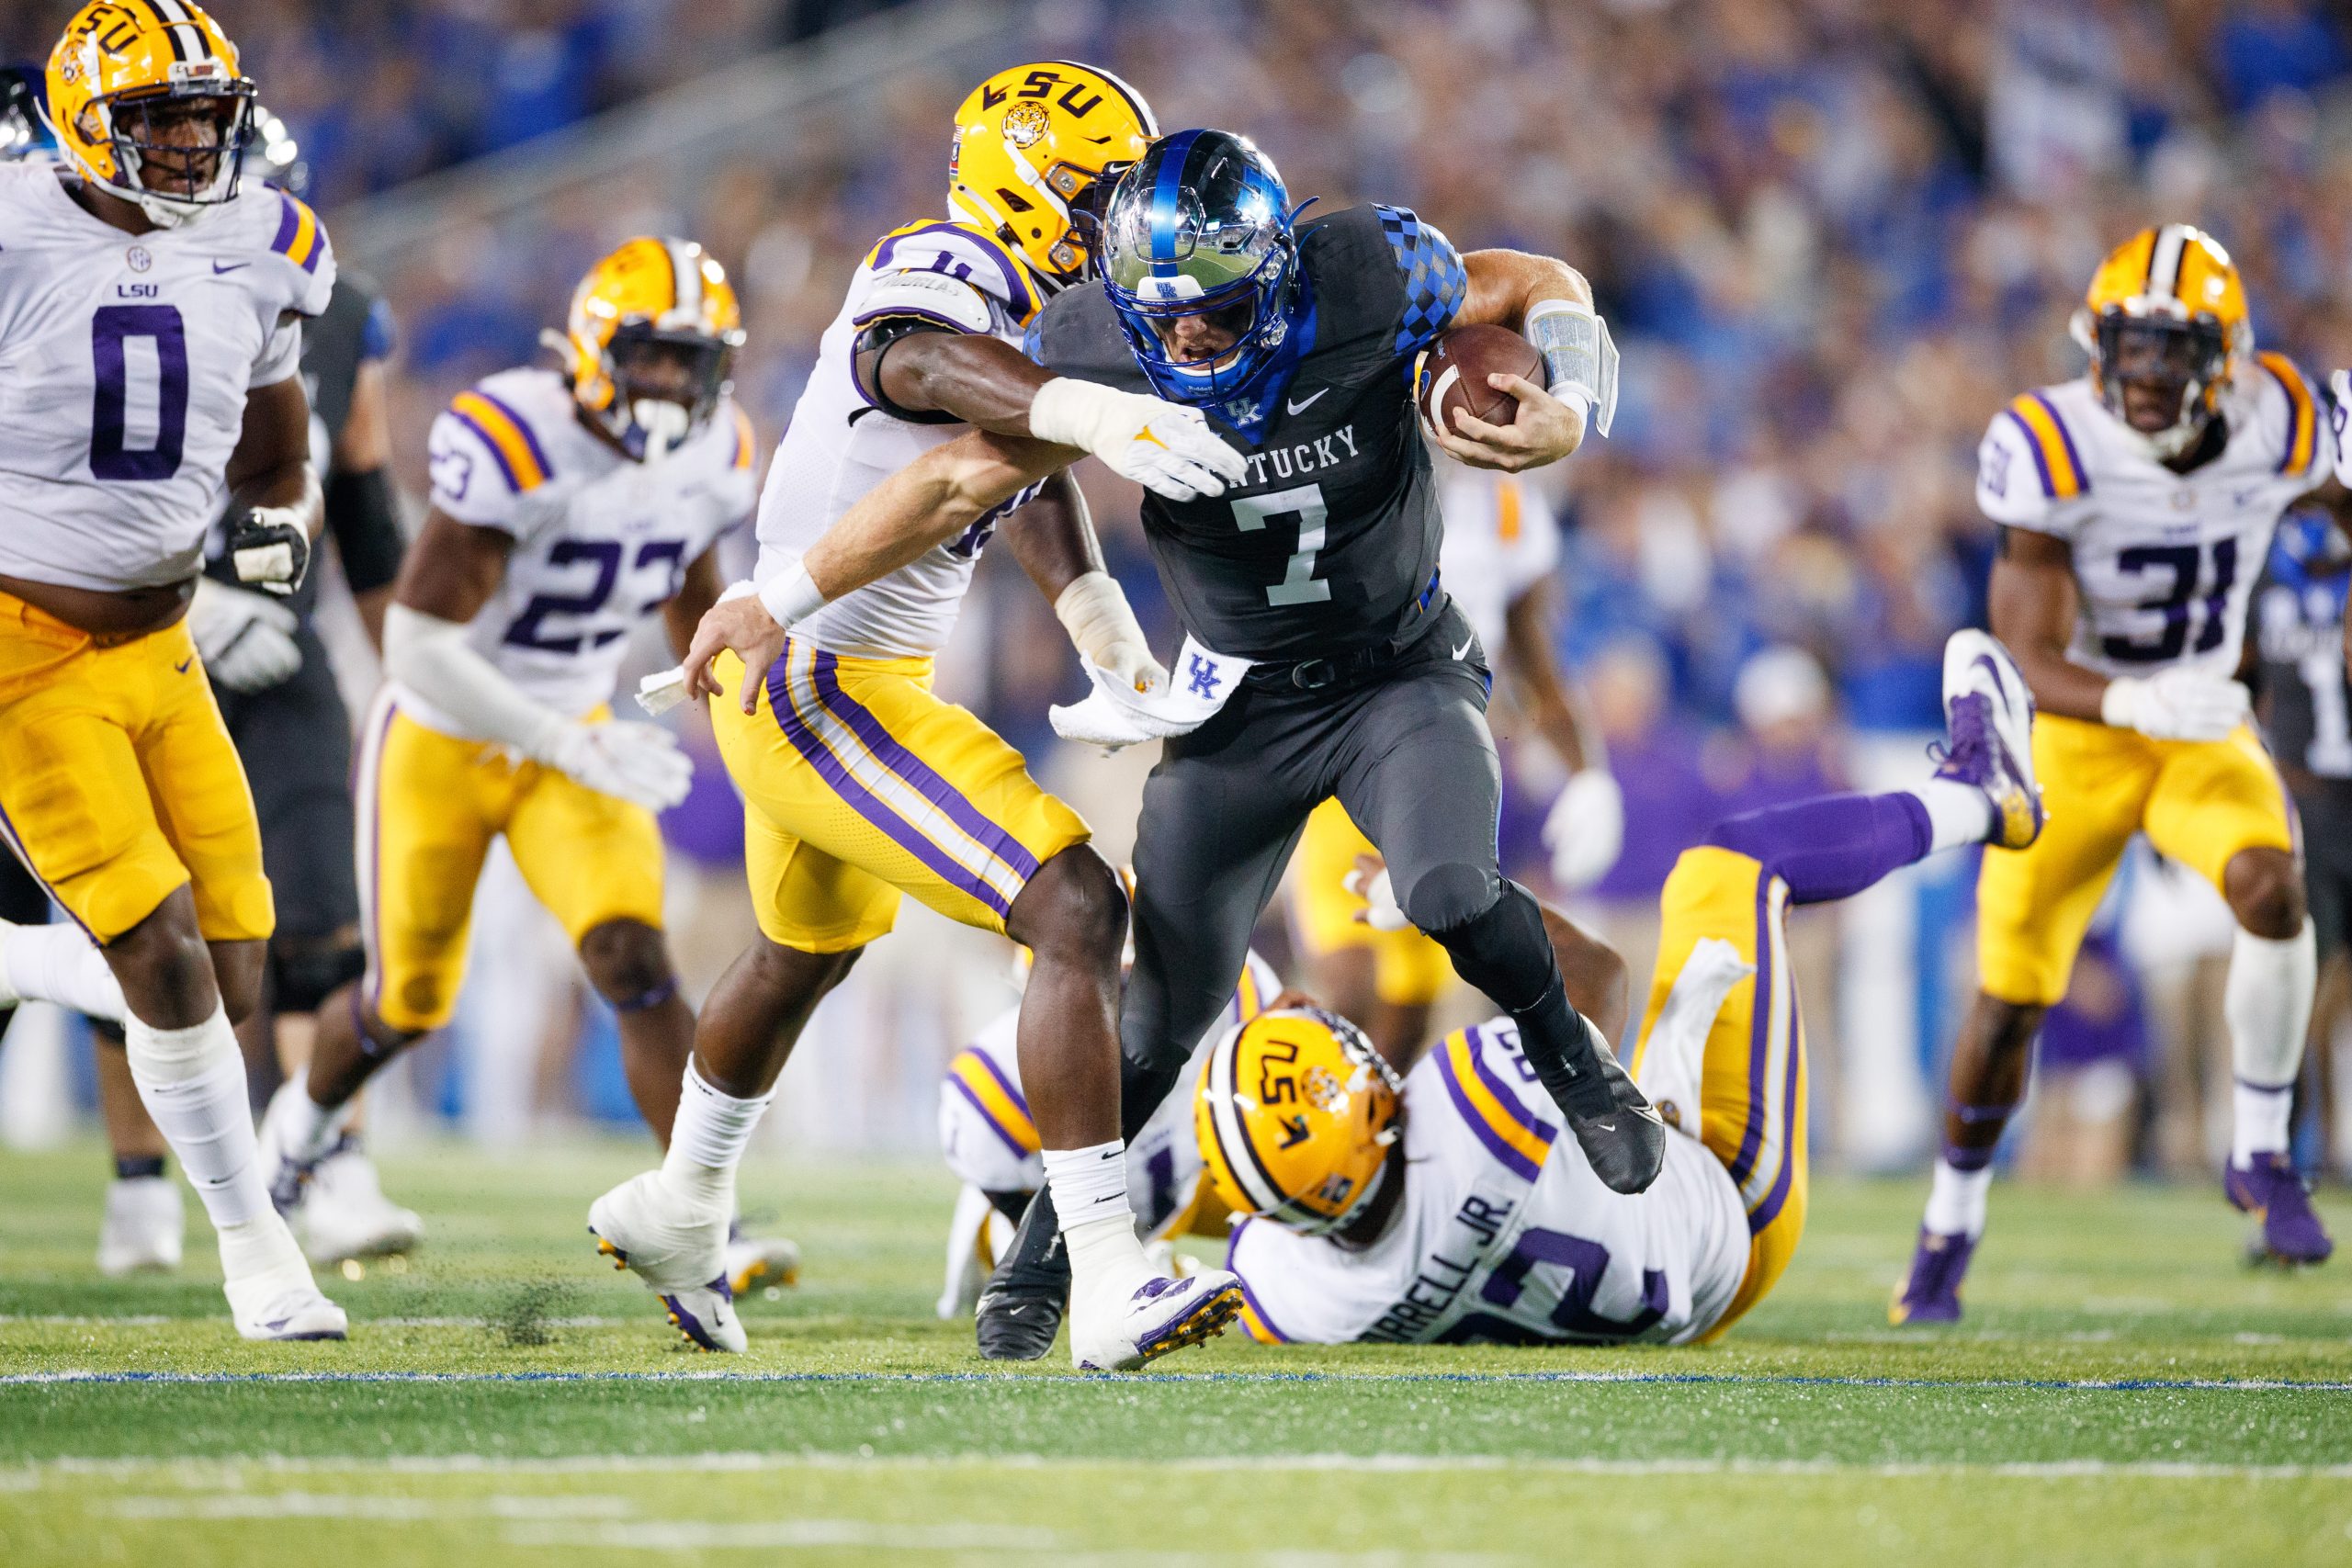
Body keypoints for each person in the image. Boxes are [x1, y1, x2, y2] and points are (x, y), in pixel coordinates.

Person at [687, 127, 1664, 1361]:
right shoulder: (1094, 344)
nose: (1191, 337)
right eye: (1166, 314)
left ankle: (1576, 1059)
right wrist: (777, 598)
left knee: (1449, 891)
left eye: (1218, 306)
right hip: (1238, 704)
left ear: (1277, 269)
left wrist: (1569, 402)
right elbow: (960, 482)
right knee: (1157, 1013)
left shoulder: (1368, 272)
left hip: (1396, 671)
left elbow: (1536, 282)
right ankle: (1047, 1255)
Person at [592, 63, 1258, 1369]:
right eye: (1098, 196)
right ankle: (1105, 1276)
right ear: (1023, 183)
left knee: (802, 954)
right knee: (1075, 906)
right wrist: (1087, 407)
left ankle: (679, 1202)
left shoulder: (1029, 317)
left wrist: (1102, 629)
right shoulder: (943, 263)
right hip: (818, 680)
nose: (1115, 226)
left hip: (842, 676)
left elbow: (1016, 474)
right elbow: (925, 363)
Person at [1207, 632, 2041, 1346]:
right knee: (1731, 868)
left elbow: (1263, 1197)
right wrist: (1455, 904)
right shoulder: (1469, 1105)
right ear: (1370, 1116)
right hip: (1729, 1211)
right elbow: (1597, 976)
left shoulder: (1293, 1297)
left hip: (1641, 1294)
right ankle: (1977, 795)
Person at [254, 237, 793, 1296]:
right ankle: (300, 1129)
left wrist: (736, 704)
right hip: (445, 736)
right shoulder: (520, 436)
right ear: (593, 349)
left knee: (634, 958)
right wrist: (560, 737)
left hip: (574, 737)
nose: (669, 383)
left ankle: (700, 1214)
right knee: (405, 1002)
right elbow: (416, 647)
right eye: (649, 355)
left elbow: (691, 588)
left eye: (691, 361)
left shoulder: (713, 453)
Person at [1895, 226, 2344, 1324]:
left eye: (2171, 349)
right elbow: (2024, 648)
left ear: (2225, 358)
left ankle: (2260, 1152)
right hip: (2079, 738)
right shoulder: (2051, 443)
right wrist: (2136, 700)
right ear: (2095, 344)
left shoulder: (2285, 420)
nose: (2145, 374)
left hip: (2202, 728)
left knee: (2271, 890)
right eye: (2129, 346)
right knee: (2009, 1003)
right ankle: (1949, 1222)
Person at [0, 1, 344, 1339]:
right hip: (23, 647)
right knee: (160, 948)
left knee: (235, 972)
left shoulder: (266, 243)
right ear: (84, 123)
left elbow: (279, 456)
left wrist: (278, 531)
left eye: (207, 114)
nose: (193, 141)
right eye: (159, 117)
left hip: (164, 644)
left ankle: (22, 959)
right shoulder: (13, 230)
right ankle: (259, 1254)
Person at [1289, 462, 1618, 1063]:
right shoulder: (1350, 459)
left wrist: (1587, 772)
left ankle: (1366, 1125)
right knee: (1349, 993)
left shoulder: (1508, 505)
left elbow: (1534, 654)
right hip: (1345, 752)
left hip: (1447, 772)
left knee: (1404, 1020)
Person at [936, 945, 1281, 1319]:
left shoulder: (1239, 989)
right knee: (1045, 1284)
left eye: (1127, 981)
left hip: (1195, 1180)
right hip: (1065, 1206)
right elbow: (1028, 1228)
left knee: (1292, 1164)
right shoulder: (997, 1082)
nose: (1114, 1005)